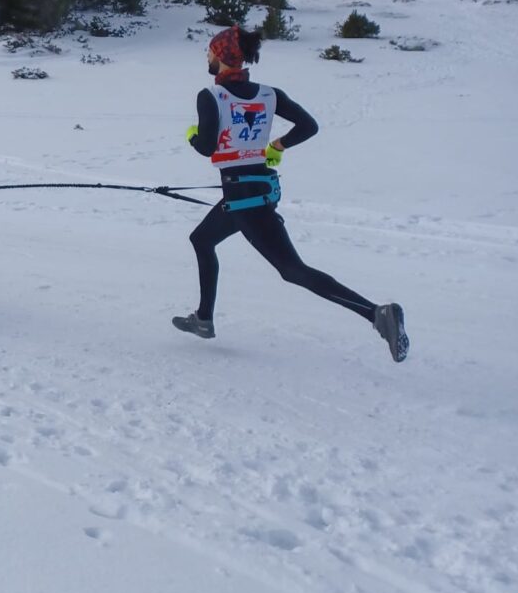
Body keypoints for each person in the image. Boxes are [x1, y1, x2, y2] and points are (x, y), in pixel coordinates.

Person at [173, 26, 408, 362]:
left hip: (245, 199)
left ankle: (376, 314)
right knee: (202, 239)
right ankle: (204, 319)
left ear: (223, 56)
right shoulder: (270, 94)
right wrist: (277, 145)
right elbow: (309, 126)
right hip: (256, 190)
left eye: (210, 51)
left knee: (292, 270)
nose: (207, 57)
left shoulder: (210, 97)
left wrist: (193, 136)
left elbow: (208, 146)